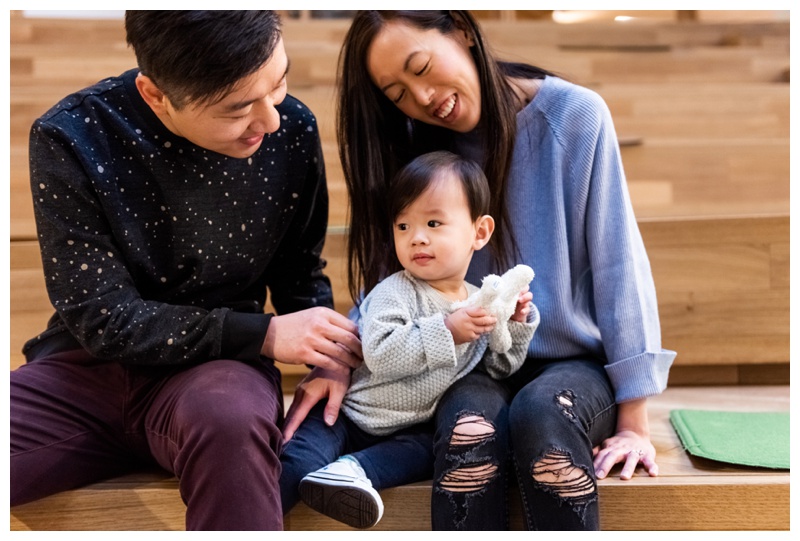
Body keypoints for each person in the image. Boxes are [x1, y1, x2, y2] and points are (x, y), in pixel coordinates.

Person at [286, 10, 677, 530]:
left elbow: (618, 264)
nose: (421, 97)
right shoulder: (418, 144)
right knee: (469, 425)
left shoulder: (573, 116)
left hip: (572, 367)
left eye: (421, 67)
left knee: (541, 414)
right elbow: (390, 284)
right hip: (474, 364)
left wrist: (634, 421)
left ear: (463, 32)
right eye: (398, 93)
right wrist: (338, 358)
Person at [9, 11, 362, 531]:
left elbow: (298, 271)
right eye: (239, 108)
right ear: (155, 95)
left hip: (221, 375)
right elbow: (103, 317)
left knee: (230, 422)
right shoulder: (73, 135)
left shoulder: (293, 130)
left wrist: (330, 358)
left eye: (279, 83)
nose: (271, 120)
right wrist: (264, 334)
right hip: (85, 373)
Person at [280, 150, 539, 529]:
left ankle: (353, 470)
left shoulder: (478, 299)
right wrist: (448, 330)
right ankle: (252, 517)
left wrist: (515, 324)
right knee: (299, 461)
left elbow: (499, 366)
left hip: (409, 426)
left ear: (479, 233)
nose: (416, 238)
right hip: (348, 414)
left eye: (433, 223)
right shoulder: (395, 291)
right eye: (403, 227)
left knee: (430, 450)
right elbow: (381, 352)